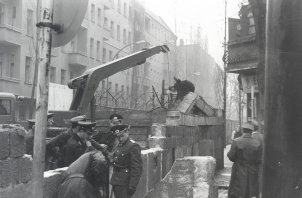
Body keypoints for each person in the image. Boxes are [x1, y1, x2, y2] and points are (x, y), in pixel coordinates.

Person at [228, 122, 262, 198]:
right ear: (251, 131)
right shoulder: (257, 143)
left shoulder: (236, 141)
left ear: (243, 130)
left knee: (237, 189)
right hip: (253, 169)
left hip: (239, 169)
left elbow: (231, 156)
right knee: (251, 188)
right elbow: (259, 159)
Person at [110, 124, 143, 198]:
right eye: (118, 137)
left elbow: (137, 168)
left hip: (125, 183)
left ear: (127, 133)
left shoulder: (133, 146)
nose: (120, 139)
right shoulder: (119, 145)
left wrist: (132, 185)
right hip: (116, 181)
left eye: (122, 136)